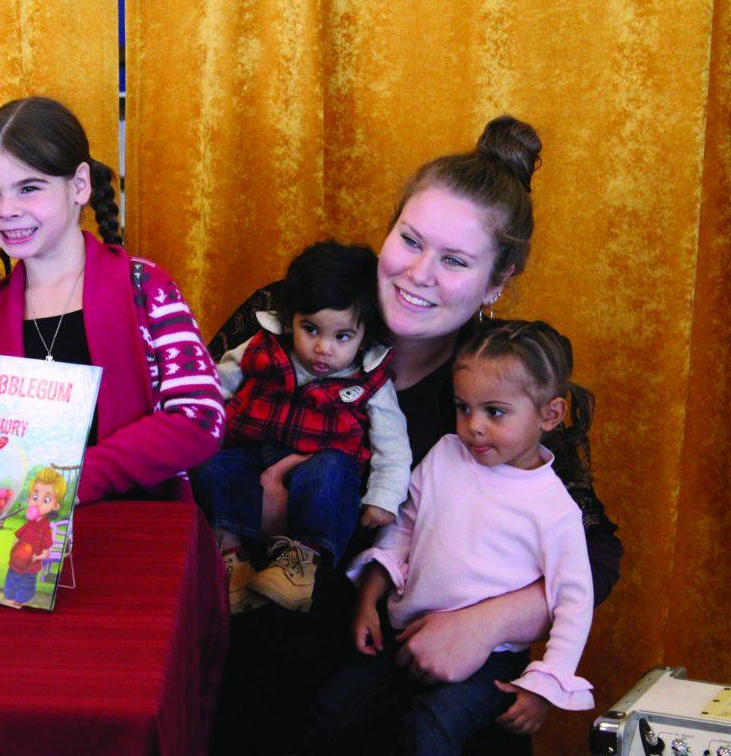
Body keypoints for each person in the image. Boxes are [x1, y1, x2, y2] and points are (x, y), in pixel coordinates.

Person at [207, 116, 622, 756]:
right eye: (410, 240)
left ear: (496, 284)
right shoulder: (303, 310)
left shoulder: (500, 381)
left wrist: (486, 624)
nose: (418, 274)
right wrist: (253, 514)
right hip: (264, 671)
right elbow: (188, 431)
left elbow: (592, 550)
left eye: (454, 260)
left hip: (421, 692)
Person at [300, 320, 595, 755]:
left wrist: (544, 687)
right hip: (403, 632)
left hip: (491, 661)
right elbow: (403, 528)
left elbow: (573, 602)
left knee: (430, 730)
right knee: (333, 709)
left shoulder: (555, 510)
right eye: (463, 407)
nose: (473, 426)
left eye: (494, 412)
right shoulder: (444, 455)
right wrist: (369, 596)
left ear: (549, 415)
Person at [0, 96, 225, 502]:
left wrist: (82, 479)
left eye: (29, 188)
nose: (7, 210)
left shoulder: (145, 289)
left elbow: (199, 417)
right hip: (17, 541)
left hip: (137, 528)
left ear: (79, 185)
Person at [191, 240, 411, 613]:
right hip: (248, 453)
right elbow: (214, 385)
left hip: (317, 464)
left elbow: (393, 445)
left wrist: (383, 497)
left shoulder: (370, 379)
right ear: (289, 318)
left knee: (334, 473)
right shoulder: (262, 347)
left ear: (364, 335)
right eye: (310, 329)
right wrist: (191, 422)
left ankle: (299, 565)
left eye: (342, 336)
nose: (323, 348)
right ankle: (230, 558)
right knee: (213, 467)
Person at [3, 466, 65, 606]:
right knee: (11, 581)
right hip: (15, 563)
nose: (37, 502)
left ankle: (20, 602)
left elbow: (46, 553)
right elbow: (18, 536)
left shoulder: (45, 528)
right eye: (35, 496)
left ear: (55, 506)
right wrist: (15, 544)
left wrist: (37, 557)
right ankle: (9, 598)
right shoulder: (29, 523)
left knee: (25, 586)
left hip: (30, 566)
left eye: (46, 500)